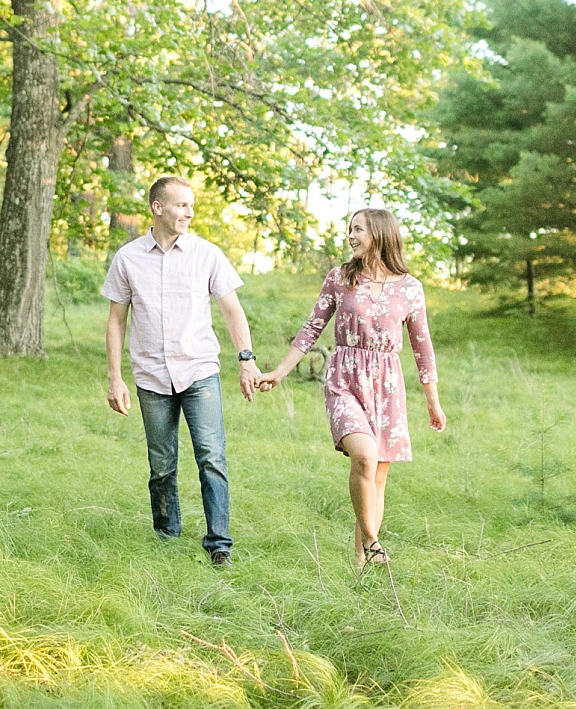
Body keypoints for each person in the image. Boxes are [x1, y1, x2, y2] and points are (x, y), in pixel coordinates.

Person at [258, 208, 445, 567]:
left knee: (376, 478)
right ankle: (374, 543)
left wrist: (433, 402)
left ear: (379, 233)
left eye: (358, 229)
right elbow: (312, 328)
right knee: (363, 456)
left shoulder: (410, 288)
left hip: (388, 387)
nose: (351, 236)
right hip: (345, 379)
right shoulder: (340, 278)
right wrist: (280, 372)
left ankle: (360, 561)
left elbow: (423, 346)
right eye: (350, 230)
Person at [103, 176, 262, 566]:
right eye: (181, 205)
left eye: (191, 205)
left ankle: (219, 544)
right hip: (151, 377)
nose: (189, 212)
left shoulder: (207, 255)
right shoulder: (128, 258)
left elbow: (231, 309)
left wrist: (246, 360)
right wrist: (114, 376)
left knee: (211, 456)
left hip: (199, 371)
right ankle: (167, 537)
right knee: (161, 464)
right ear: (158, 208)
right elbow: (116, 321)